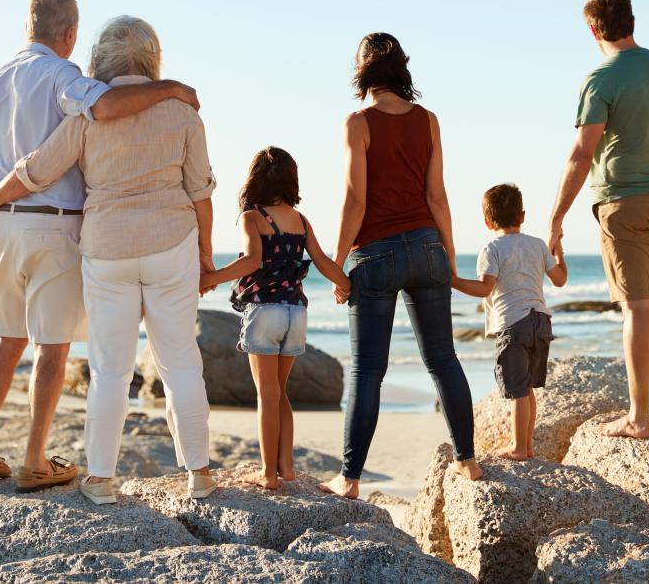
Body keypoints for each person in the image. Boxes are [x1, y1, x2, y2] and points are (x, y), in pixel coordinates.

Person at [0, 0, 200, 492]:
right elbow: (105, 106)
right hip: (57, 220)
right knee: (53, 345)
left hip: (3, 223)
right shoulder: (65, 77)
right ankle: (34, 460)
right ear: (69, 34)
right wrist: (170, 87)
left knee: (8, 339)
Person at [321, 33, 483, 499]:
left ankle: (350, 479)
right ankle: (468, 462)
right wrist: (448, 257)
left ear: (363, 71)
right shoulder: (428, 121)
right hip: (428, 247)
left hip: (375, 254)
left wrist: (336, 264)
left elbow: (356, 198)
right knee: (443, 359)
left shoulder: (358, 122)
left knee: (367, 371)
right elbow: (438, 196)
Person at [547, 0, 649, 439]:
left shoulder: (601, 77)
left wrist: (556, 218)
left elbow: (582, 153)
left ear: (593, 29)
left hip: (623, 201)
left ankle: (639, 419)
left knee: (636, 307)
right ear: (632, 20)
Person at [203, 147, 351, 490]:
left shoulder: (252, 217)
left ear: (254, 179)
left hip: (265, 311)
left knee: (266, 395)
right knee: (281, 393)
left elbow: (252, 262)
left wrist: (210, 278)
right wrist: (345, 285)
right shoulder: (300, 219)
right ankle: (287, 467)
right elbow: (324, 262)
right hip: (296, 312)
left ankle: (268, 474)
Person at [452, 184, 567, 460]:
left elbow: (484, 288)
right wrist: (558, 247)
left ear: (487, 222)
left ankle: (518, 447)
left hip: (513, 324)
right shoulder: (538, 245)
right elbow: (560, 279)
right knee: (527, 389)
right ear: (523, 215)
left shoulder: (491, 249)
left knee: (517, 390)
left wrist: (453, 280)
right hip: (541, 322)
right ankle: (526, 445)